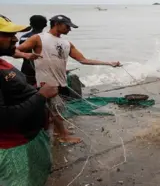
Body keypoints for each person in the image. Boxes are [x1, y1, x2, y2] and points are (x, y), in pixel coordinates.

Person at [17, 14, 120, 144]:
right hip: (45, 82)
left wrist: (109, 63)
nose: (69, 30)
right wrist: (26, 54)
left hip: (59, 81)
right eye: (67, 26)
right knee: (57, 108)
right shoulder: (38, 38)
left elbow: (83, 60)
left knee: (54, 109)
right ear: (56, 24)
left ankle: (56, 131)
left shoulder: (67, 43)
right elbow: (15, 51)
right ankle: (63, 136)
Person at [0, 14, 59, 186]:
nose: (15, 39)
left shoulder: (3, 62)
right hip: (12, 148)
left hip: (28, 139)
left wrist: (34, 91)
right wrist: (41, 95)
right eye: (7, 35)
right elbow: (3, 118)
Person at [19, 15, 47, 87]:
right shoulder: (48, 38)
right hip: (43, 69)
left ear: (31, 24)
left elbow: (20, 52)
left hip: (26, 68)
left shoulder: (24, 37)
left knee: (27, 89)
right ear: (45, 25)